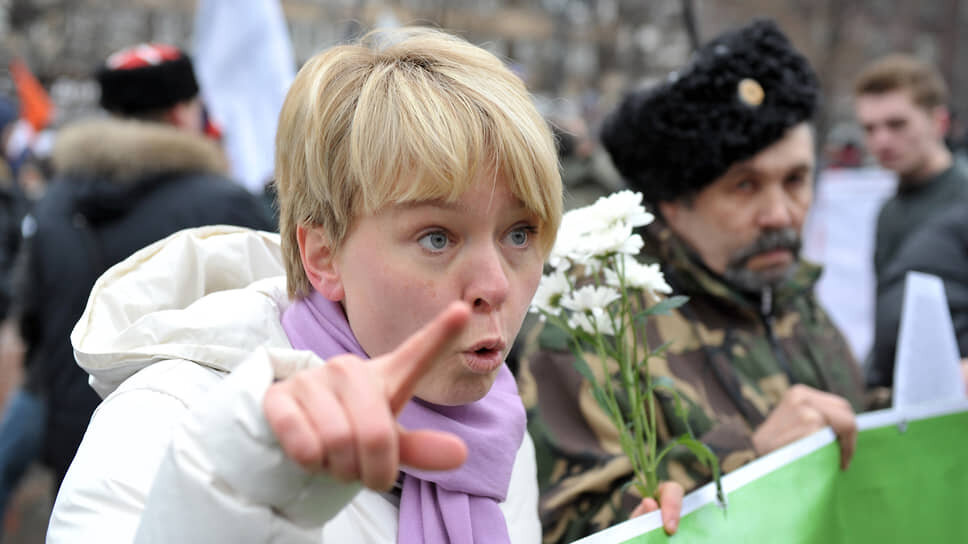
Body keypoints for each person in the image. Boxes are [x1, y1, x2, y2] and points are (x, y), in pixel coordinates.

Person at [45, 28, 682, 543]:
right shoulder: (167, 423)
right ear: (323, 256)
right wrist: (241, 489)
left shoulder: (492, 423)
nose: (495, 285)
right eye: (438, 237)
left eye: (519, 233)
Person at [519, 18, 865, 543]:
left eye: (796, 180)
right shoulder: (595, 318)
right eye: (744, 186)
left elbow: (849, 417)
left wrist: (923, 395)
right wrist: (753, 465)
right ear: (675, 206)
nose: (780, 213)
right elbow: (568, 526)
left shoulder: (786, 291)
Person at [0, 42, 275, 530]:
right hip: (191, 447)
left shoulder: (54, 198)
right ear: (181, 112)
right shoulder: (227, 205)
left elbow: (31, 319)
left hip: (73, 435)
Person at [852, 54, 968, 387]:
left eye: (897, 124)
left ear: (938, 122)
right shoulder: (888, 212)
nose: (881, 141)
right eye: (870, 128)